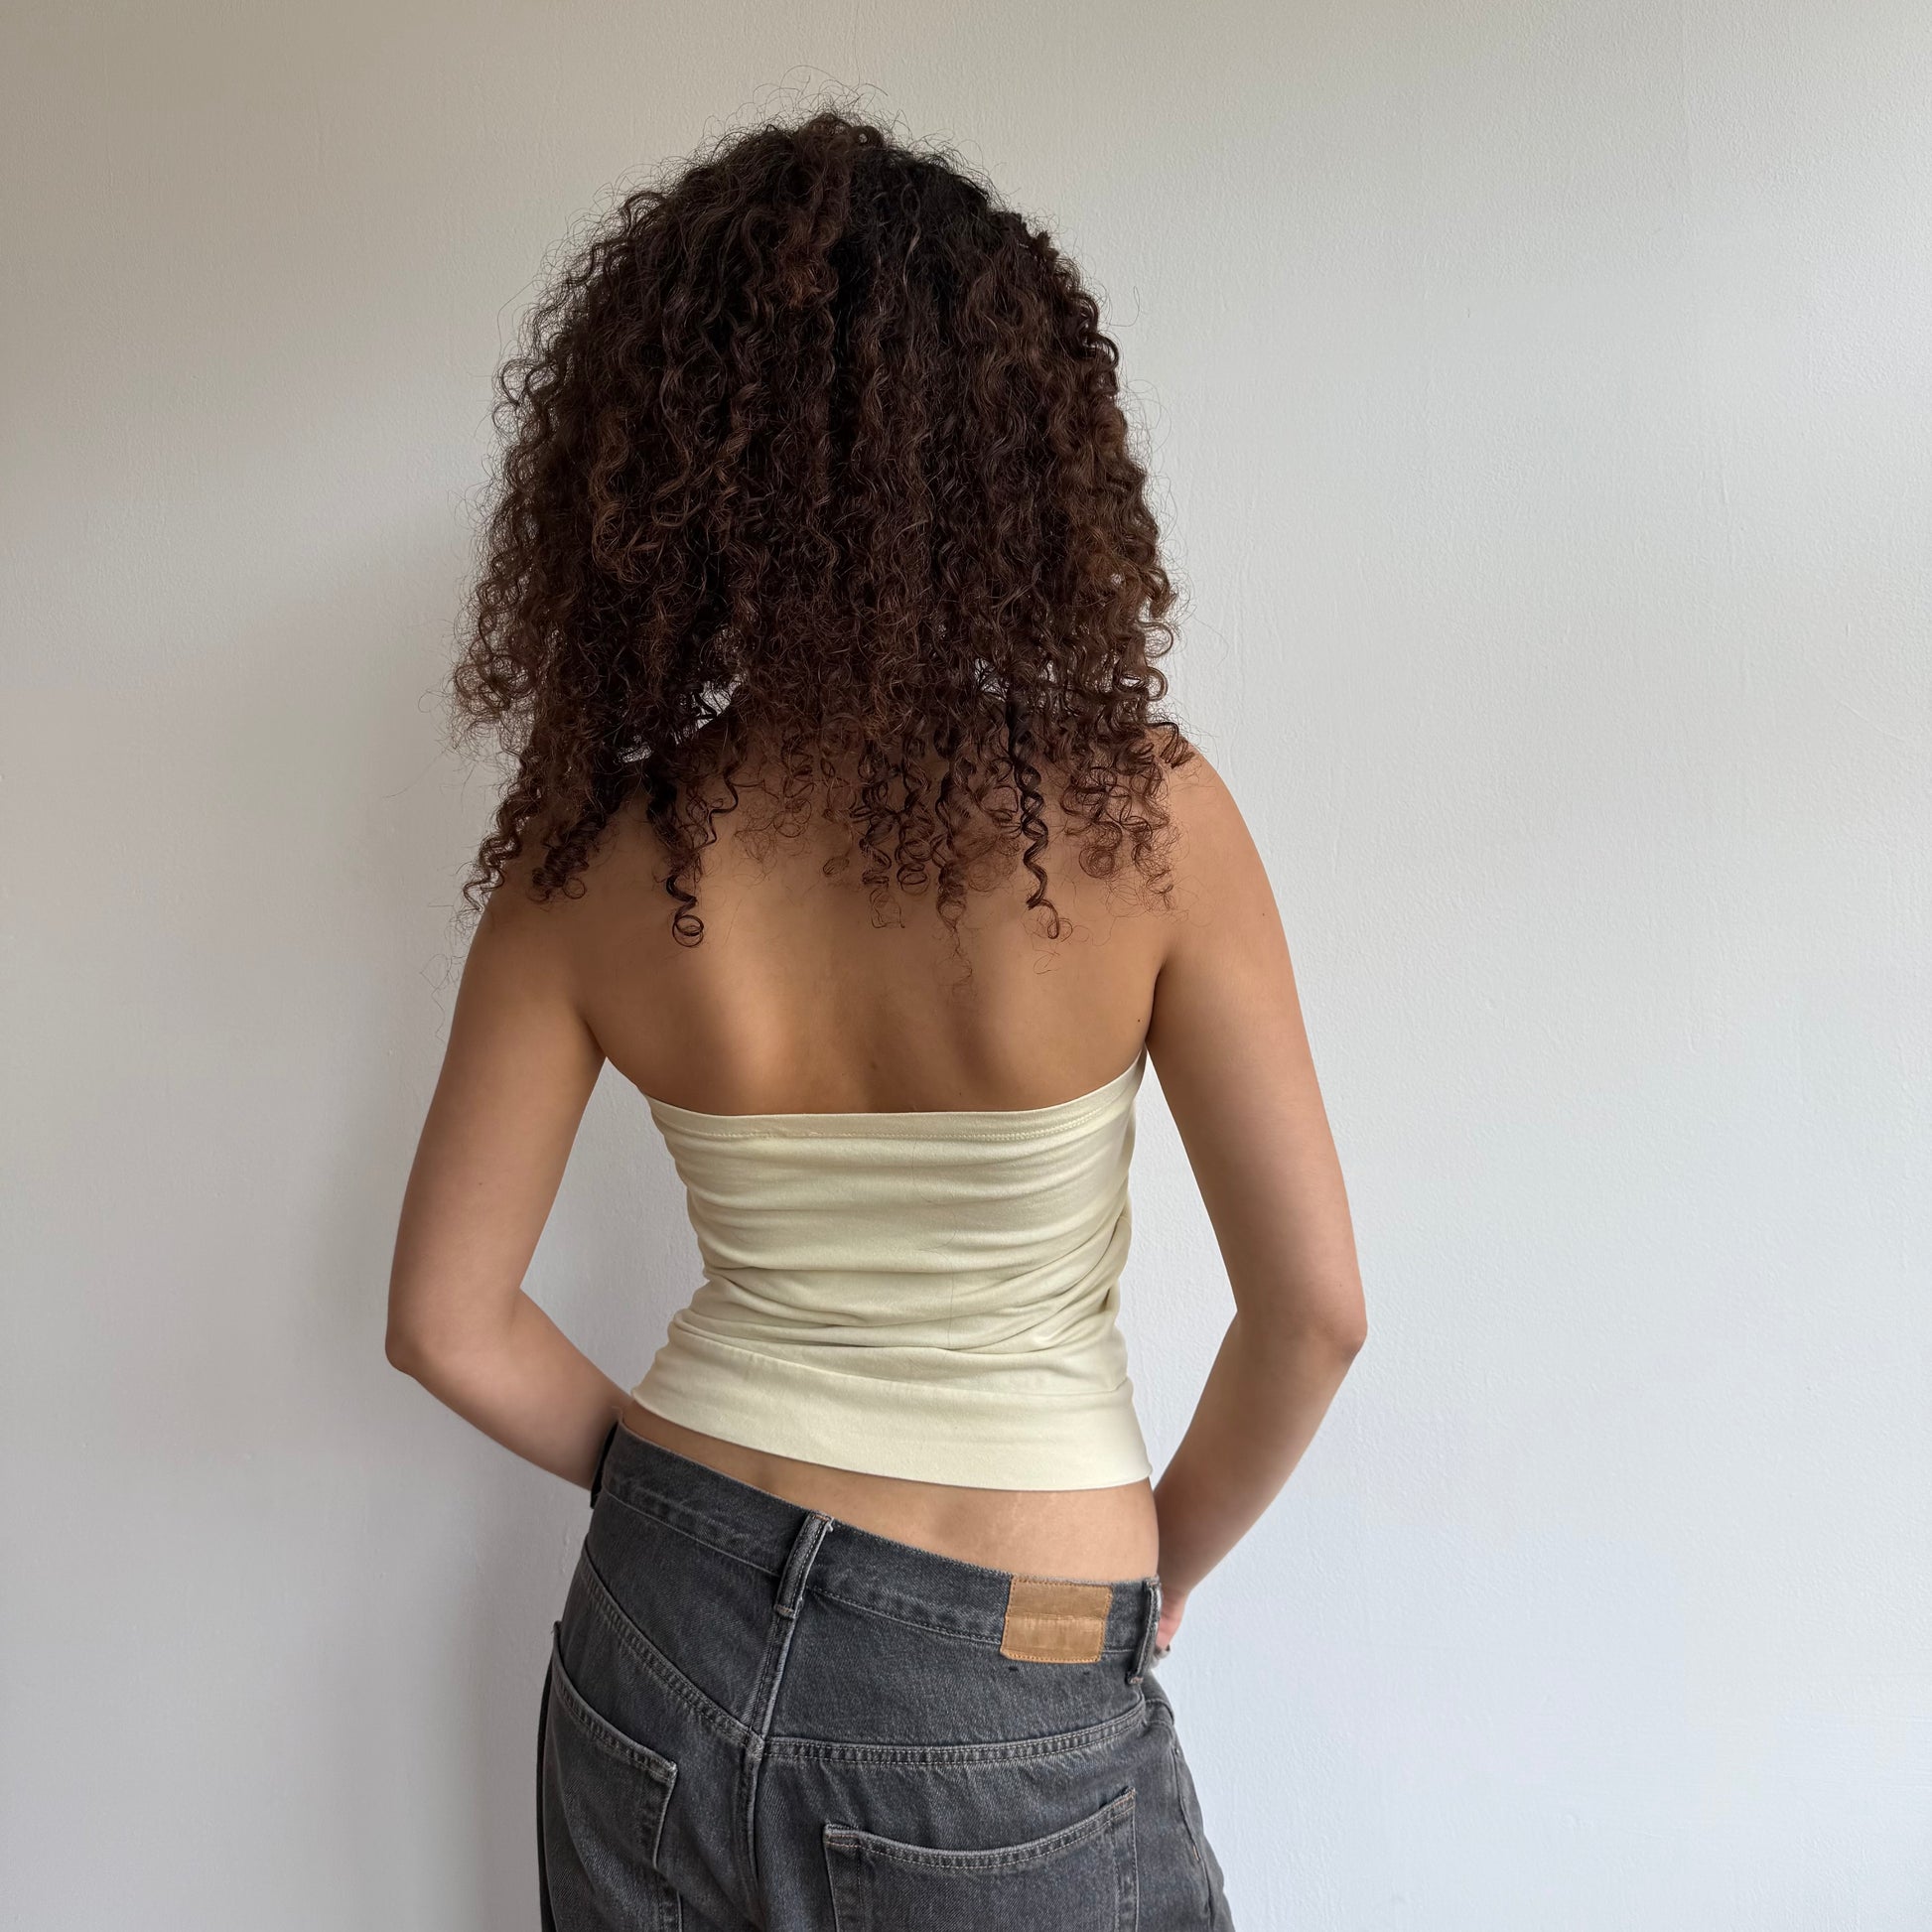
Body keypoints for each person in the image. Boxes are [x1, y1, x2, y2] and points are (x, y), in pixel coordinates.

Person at [385, 104, 1366, 1931]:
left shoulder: (593, 851)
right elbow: (1312, 1314)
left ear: (668, 472)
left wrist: (698, 1515)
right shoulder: (1140, 820)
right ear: (1013, 460)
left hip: (654, 1631)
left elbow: (446, 1320)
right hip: (1010, 1653)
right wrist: (1155, 1570)